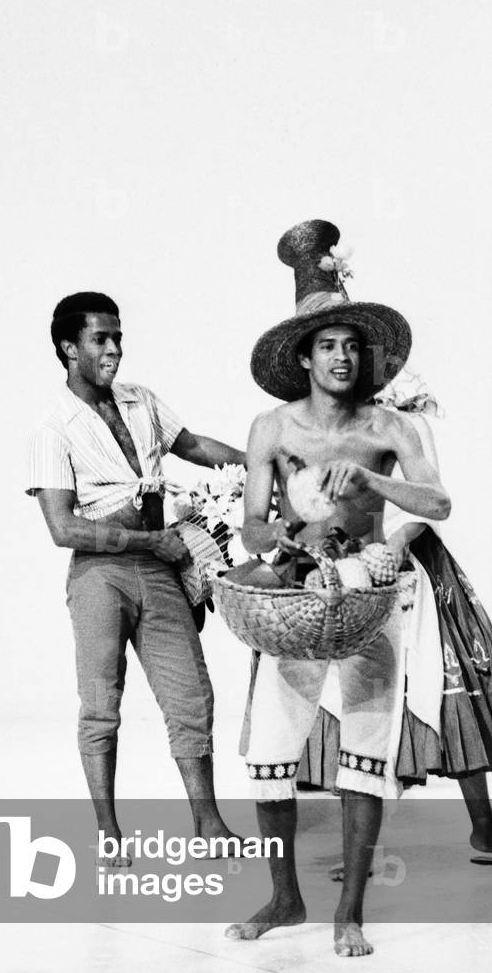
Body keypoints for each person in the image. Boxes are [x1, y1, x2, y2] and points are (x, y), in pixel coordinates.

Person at [224, 220, 450, 957]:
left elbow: (438, 504)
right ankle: (284, 898)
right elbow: (254, 526)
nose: (343, 357)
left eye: (352, 346)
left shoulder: (389, 424)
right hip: (297, 598)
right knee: (270, 752)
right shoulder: (271, 427)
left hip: (374, 597)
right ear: (304, 357)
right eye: (328, 346)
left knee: (366, 751)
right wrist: (289, 541)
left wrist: (374, 480)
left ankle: (350, 911)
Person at [28, 292, 246, 862]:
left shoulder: (140, 400)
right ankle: (107, 833)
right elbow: (62, 526)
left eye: (118, 337)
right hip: (100, 576)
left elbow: (193, 446)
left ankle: (209, 824)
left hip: (160, 566)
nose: (114, 349)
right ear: (68, 348)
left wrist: (260, 461)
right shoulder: (54, 426)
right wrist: (150, 540)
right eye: (101, 339)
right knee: (101, 704)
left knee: (191, 695)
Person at [294, 369, 492, 867]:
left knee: (436, 685)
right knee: (353, 696)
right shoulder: (310, 422)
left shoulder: (402, 418)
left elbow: (431, 497)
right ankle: (362, 845)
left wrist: (398, 542)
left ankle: (486, 826)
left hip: (411, 559)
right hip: (346, 565)